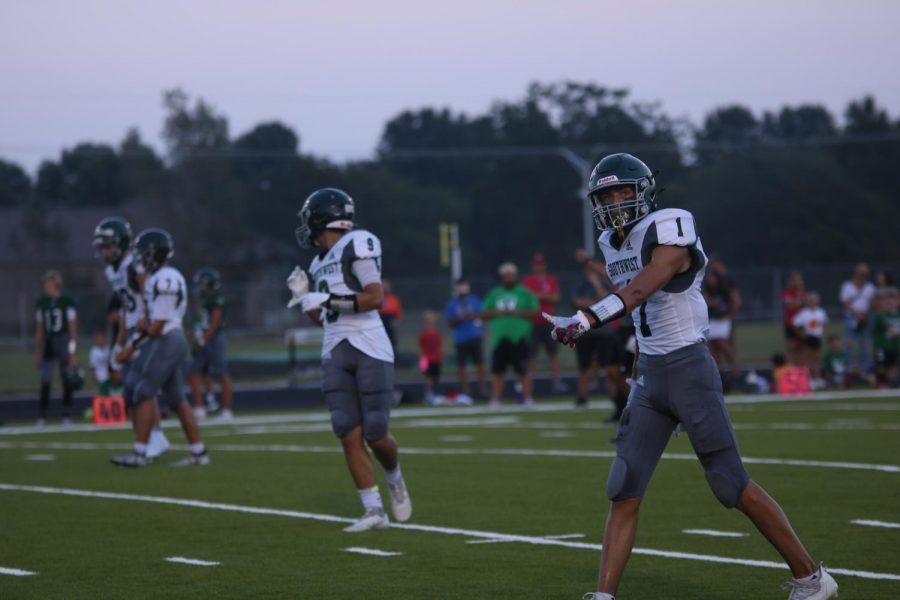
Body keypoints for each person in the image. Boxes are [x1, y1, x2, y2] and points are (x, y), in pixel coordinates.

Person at [542, 153, 837, 600]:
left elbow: (646, 284)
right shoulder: (609, 240)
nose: (617, 201)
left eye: (625, 191)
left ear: (644, 191)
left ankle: (811, 579)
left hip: (689, 369)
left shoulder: (671, 224)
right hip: (651, 376)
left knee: (729, 483)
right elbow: (638, 306)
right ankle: (603, 596)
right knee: (623, 487)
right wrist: (639, 357)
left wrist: (586, 319)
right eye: (608, 194)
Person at [286, 187, 412, 532]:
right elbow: (321, 317)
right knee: (346, 429)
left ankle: (394, 476)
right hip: (334, 347)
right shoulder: (317, 262)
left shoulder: (358, 242)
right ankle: (373, 510)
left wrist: (326, 299)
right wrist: (303, 299)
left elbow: (375, 298)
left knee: (376, 432)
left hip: (369, 343)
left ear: (321, 217)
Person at [109, 228, 209, 468]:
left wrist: (131, 347)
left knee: (143, 391)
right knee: (176, 398)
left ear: (153, 254)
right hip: (167, 339)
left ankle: (139, 453)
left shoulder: (165, 277)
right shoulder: (159, 278)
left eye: (143, 254)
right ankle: (199, 452)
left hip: (167, 340)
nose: (140, 259)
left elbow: (159, 325)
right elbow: (152, 321)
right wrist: (144, 322)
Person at [93, 217, 170, 458]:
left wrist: (145, 322)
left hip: (145, 330)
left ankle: (155, 437)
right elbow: (127, 307)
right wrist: (120, 339)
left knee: (143, 388)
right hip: (133, 330)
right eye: (102, 246)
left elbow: (147, 293)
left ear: (121, 243)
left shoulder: (133, 265)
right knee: (134, 388)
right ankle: (149, 439)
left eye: (108, 245)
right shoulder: (112, 269)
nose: (104, 251)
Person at [571, 248, 629, 419]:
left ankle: (635, 406)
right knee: (612, 371)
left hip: (617, 330)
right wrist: (586, 261)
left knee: (625, 371)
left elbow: (605, 299)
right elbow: (579, 302)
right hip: (618, 329)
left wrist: (594, 280)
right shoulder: (581, 285)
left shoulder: (607, 282)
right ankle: (621, 408)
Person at [482, 263, 539, 408]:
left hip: (519, 337)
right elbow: (484, 314)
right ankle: (495, 400)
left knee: (523, 370)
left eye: (510, 276)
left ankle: (527, 399)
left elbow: (535, 312)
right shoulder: (494, 293)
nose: (508, 278)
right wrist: (495, 312)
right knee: (497, 371)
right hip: (500, 338)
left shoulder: (525, 293)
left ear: (515, 276)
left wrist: (518, 312)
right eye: (505, 276)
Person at [33, 270, 79, 426]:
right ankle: (42, 415)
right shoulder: (42, 303)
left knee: (66, 377)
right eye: (46, 283)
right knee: (45, 379)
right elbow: (39, 331)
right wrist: (37, 353)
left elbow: (72, 330)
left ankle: (67, 414)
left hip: (63, 339)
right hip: (48, 341)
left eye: (49, 283)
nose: (46, 287)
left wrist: (73, 352)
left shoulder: (67, 301)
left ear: (57, 285)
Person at [188, 267, 234, 420]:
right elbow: (198, 321)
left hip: (214, 338)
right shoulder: (201, 298)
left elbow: (214, 323)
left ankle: (227, 410)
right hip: (203, 338)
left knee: (221, 373)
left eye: (201, 283)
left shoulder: (217, 298)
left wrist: (203, 338)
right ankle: (200, 407)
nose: (199, 286)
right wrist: (197, 336)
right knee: (194, 372)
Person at [522, 253, 567, 393]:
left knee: (553, 353)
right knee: (530, 355)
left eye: (541, 264)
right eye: (536, 264)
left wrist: (539, 295)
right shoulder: (527, 280)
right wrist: (545, 295)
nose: (539, 267)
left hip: (549, 321)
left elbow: (556, 298)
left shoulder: (550, 279)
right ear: (532, 265)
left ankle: (556, 381)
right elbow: (527, 298)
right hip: (533, 321)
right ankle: (529, 383)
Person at [444, 277, 488, 401]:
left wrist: (472, 315)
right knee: (462, 366)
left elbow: (482, 316)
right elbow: (449, 323)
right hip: (460, 338)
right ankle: (466, 392)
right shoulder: (452, 304)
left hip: (475, 336)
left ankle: (483, 390)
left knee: (480, 364)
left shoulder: (475, 300)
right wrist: (459, 318)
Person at [702, 258, 741, 388]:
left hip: (724, 319)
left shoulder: (727, 283)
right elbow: (705, 297)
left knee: (724, 344)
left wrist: (731, 315)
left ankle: (736, 372)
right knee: (713, 347)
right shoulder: (708, 284)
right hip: (713, 319)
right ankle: (720, 373)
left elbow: (736, 300)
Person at [839, 262, 876, 375]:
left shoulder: (870, 287)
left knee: (865, 344)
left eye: (865, 273)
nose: (863, 274)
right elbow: (845, 302)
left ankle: (864, 369)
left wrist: (864, 315)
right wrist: (856, 314)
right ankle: (848, 369)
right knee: (848, 343)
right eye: (861, 272)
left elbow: (872, 303)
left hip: (866, 317)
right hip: (851, 317)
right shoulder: (847, 286)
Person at [791, 291, 828, 389]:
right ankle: (808, 379)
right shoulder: (804, 313)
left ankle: (818, 379)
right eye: (811, 301)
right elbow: (795, 324)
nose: (813, 302)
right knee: (807, 359)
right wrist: (801, 335)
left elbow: (824, 323)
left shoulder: (821, 312)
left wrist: (823, 334)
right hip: (808, 337)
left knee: (816, 359)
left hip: (817, 337)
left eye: (814, 300)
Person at [872, 286, 900, 388]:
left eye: (895, 300)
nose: (892, 303)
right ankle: (880, 383)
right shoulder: (882, 315)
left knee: (892, 367)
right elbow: (889, 329)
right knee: (882, 367)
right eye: (889, 300)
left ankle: (890, 384)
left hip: (894, 346)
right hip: (882, 346)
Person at [418, 311, 444, 404]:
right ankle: (429, 394)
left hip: (436, 358)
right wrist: (422, 361)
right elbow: (421, 348)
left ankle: (433, 393)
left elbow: (440, 346)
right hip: (427, 359)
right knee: (429, 377)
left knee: (435, 377)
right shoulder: (424, 334)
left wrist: (441, 356)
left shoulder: (437, 333)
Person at [782, 271, 806, 365]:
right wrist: (799, 302)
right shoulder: (787, 293)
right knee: (791, 347)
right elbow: (789, 306)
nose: (797, 282)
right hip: (791, 323)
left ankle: (800, 371)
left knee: (802, 347)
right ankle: (789, 370)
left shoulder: (802, 292)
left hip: (801, 324)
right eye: (795, 280)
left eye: (799, 280)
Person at [378, 279, 403, 352]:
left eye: (387, 287)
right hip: (380, 321)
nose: (385, 289)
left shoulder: (394, 299)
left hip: (390, 321)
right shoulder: (378, 298)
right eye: (383, 287)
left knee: (392, 341)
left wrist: (396, 321)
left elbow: (398, 312)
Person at [89, 329, 113, 396]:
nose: (100, 341)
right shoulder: (94, 351)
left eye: (102, 339)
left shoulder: (108, 349)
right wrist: (95, 379)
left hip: (108, 378)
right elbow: (93, 367)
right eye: (99, 339)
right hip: (100, 379)